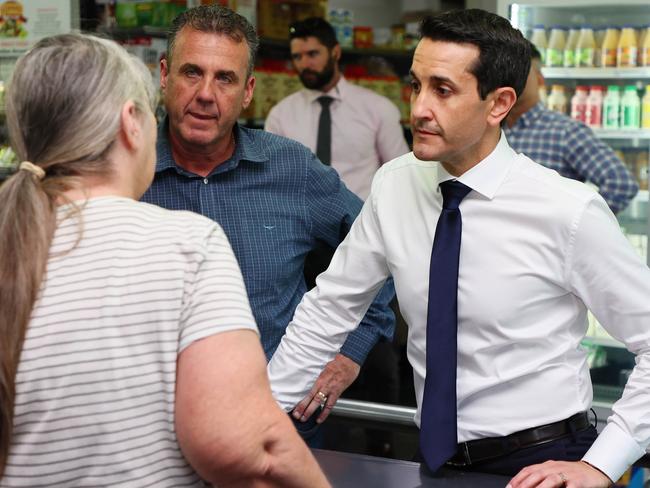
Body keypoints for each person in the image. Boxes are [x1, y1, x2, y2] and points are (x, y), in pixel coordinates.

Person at [268, 9, 650, 488]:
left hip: (542, 464)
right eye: (416, 85)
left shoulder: (566, 209)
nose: (420, 108)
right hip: (436, 461)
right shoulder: (395, 185)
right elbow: (328, 312)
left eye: (443, 90)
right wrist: (262, 423)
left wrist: (601, 464)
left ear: (498, 104)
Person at [0, 33, 329, 487]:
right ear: (131, 122)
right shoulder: (187, 244)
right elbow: (249, 451)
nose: (205, 94)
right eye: (190, 72)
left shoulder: (11, 236)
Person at [140, 4, 395, 426]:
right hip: (155, 429)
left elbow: (380, 249)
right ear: (164, 75)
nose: (206, 93)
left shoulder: (292, 169)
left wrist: (351, 351)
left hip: (277, 424)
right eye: (192, 72)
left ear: (248, 91)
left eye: (225, 78)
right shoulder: (126, 171)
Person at [264, 16, 409, 200]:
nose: (304, 64)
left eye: (313, 54)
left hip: (362, 222)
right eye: (297, 57)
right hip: (303, 223)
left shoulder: (378, 109)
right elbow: (273, 180)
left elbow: (401, 175)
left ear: (336, 52)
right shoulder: (280, 115)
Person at [504, 42, 638, 215]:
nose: (510, 79)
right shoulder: (488, 128)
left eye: (520, 71)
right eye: (505, 71)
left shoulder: (565, 132)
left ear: (539, 79)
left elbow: (621, 184)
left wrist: (573, 224)